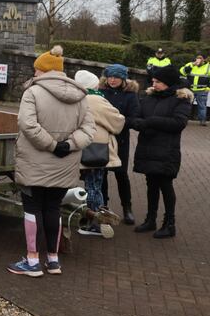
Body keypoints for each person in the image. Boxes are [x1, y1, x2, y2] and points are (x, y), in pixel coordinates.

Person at [7, 46, 95, 277]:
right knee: (53, 208)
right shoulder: (81, 96)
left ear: (42, 71)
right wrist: (69, 145)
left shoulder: (33, 92)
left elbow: (28, 125)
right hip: (64, 164)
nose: (34, 73)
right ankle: (53, 261)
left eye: (36, 69)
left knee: (32, 208)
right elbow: (89, 129)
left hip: (35, 161)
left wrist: (51, 145)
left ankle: (32, 260)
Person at [130, 65, 192, 239]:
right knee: (151, 184)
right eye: (154, 81)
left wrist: (151, 122)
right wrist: (138, 123)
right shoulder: (149, 97)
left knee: (165, 185)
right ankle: (151, 219)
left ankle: (169, 223)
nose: (153, 83)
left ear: (169, 83)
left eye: (158, 81)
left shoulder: (181, 99)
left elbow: (179, 123)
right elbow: (138, 117)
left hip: (167, 151)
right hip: (148, 147)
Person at [73, 70, 125, 238]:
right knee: (94, 186)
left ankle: (91, 218)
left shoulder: (74, 98)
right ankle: (98, 222)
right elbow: (118, 122)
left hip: (78, 147)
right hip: (97, 148)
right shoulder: (96, 99)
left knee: (88, 185)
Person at [99, 64, 140, 224]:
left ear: (123, 79)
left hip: (120, 140)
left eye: (116, 77)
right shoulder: (101, 92)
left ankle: (127, 208)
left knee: (121, 174)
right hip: (102, 139)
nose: (112, 80)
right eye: (110, 77)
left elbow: (134, 118)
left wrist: (117, 122)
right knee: (101, 174)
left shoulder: (130, 96)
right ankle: (103, 207)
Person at [179, 53, 209, 125]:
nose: (198, 59)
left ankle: (202, 121)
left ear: (204, 59)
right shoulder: (190, 64)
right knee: (187, 105)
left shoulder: (208, 67)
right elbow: (182, 72)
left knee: (202, 106)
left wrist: (208, 88)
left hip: (202, 90)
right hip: (190, 90)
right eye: (197, 58)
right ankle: (184, 120)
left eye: (200, 58)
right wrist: (192, 65)